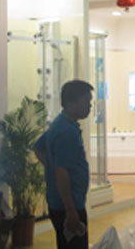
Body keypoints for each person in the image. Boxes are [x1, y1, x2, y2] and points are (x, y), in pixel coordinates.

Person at [33, 80, 93, 249]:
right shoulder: (67, 132)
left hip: (60, 203)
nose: (90, 106)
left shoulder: (60, 124)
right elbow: (62, 171)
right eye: (86, 101)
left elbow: (38, 148)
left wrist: (52, 167)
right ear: (70, 104)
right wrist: (71, 211)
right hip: (68, 205)